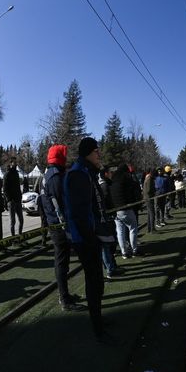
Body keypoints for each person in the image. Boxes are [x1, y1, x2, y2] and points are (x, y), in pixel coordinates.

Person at [63, 137, 109, 342]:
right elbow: (79, 213)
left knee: (97, 281)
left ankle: (98, 320)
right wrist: (91, 238)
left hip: (90, 235)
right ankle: (97, 327)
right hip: (85, 238)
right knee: (94, 281)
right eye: (97, 151)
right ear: (88, 153)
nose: (100, 155)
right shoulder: (78, 175)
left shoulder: (86, 173)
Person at [41, 145, 85, 311]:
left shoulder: (49, 175)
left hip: (55, 225)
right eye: (64, 157)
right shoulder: (56, 178)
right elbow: (64, 204)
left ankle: (64, 295)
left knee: (63, 262)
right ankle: (65, 298)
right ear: (60, 159)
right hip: (61, 227)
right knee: (62, 262)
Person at [111, 163, 141, 258]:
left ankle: (124, 252)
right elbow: (131, 192)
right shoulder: (126, 179)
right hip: (126, 208)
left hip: (116, 209)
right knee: (133, 228)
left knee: (120, 231)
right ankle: (134, 250)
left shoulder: (113, 180)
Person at [98, 166, 121, 278]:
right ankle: (110, 268)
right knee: (107, 244)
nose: (112, 174)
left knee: (109, 244)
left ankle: (111, 266)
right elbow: (106, 202)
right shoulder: (104, 186)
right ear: (106, 174)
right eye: (110, 172)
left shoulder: (104, 185)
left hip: (106, 217)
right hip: (105, 219)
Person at [3, 157, 23, 236]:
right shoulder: (7, 174)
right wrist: (9, 200)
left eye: (16, 162)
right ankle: (13, 238)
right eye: (14, 162)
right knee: (13, 221)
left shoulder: (17, 173)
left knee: (21, 220)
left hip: (18, 200)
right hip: (12, 201)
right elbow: (4, 189)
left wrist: (20, 197)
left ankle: (20, 235)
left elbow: (18, 187)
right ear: (11, 163)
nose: (16, 163)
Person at [143, 169, 156, 233]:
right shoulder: (149, 179)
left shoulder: (147, 178)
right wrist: (154, 191)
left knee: (149, 213)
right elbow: (148, 190)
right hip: (149, 198)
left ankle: (149, 228)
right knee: (152, 213)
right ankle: (152, 229)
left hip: (147, 198)